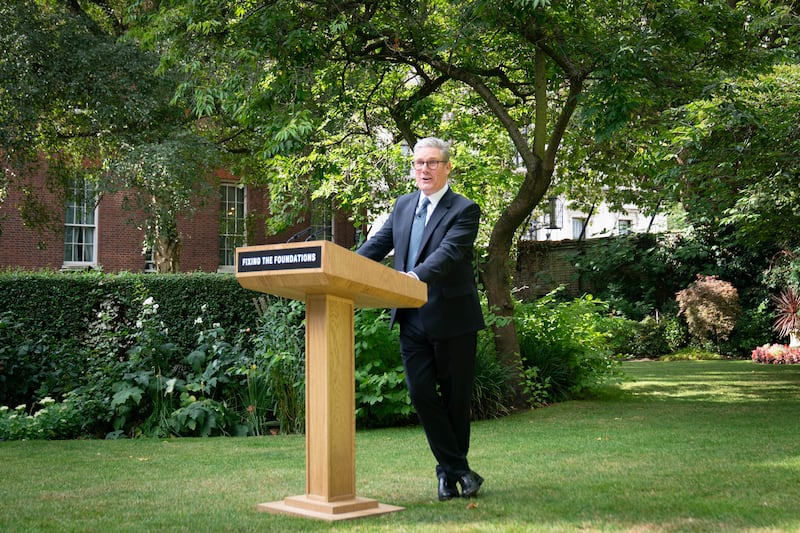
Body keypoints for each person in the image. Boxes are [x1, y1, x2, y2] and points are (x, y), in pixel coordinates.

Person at [356, 136, 486, 501]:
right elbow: (376, 247)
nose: (424, 169)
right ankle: (460, 470)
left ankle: (447, 478)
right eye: (418, 163)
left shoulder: (464, 209)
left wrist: (413, 278)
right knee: (420, 393)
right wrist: (340, 265)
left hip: (453, 320)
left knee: (456, 400)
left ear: (447, 167)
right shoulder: (401, 206)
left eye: (431, 163)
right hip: (411, 319)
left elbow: (448, 254)